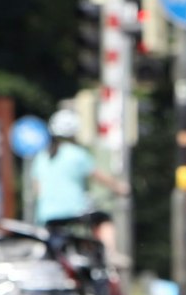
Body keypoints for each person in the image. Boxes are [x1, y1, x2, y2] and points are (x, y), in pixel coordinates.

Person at [26, 106, 126, 256]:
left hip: (47, 215)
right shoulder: (77, 154)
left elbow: (37, 189)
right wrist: (119, 187)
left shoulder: (42, 156)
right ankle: (111, 253)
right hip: (75, 211)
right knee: (103, 219)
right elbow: (99, 177)